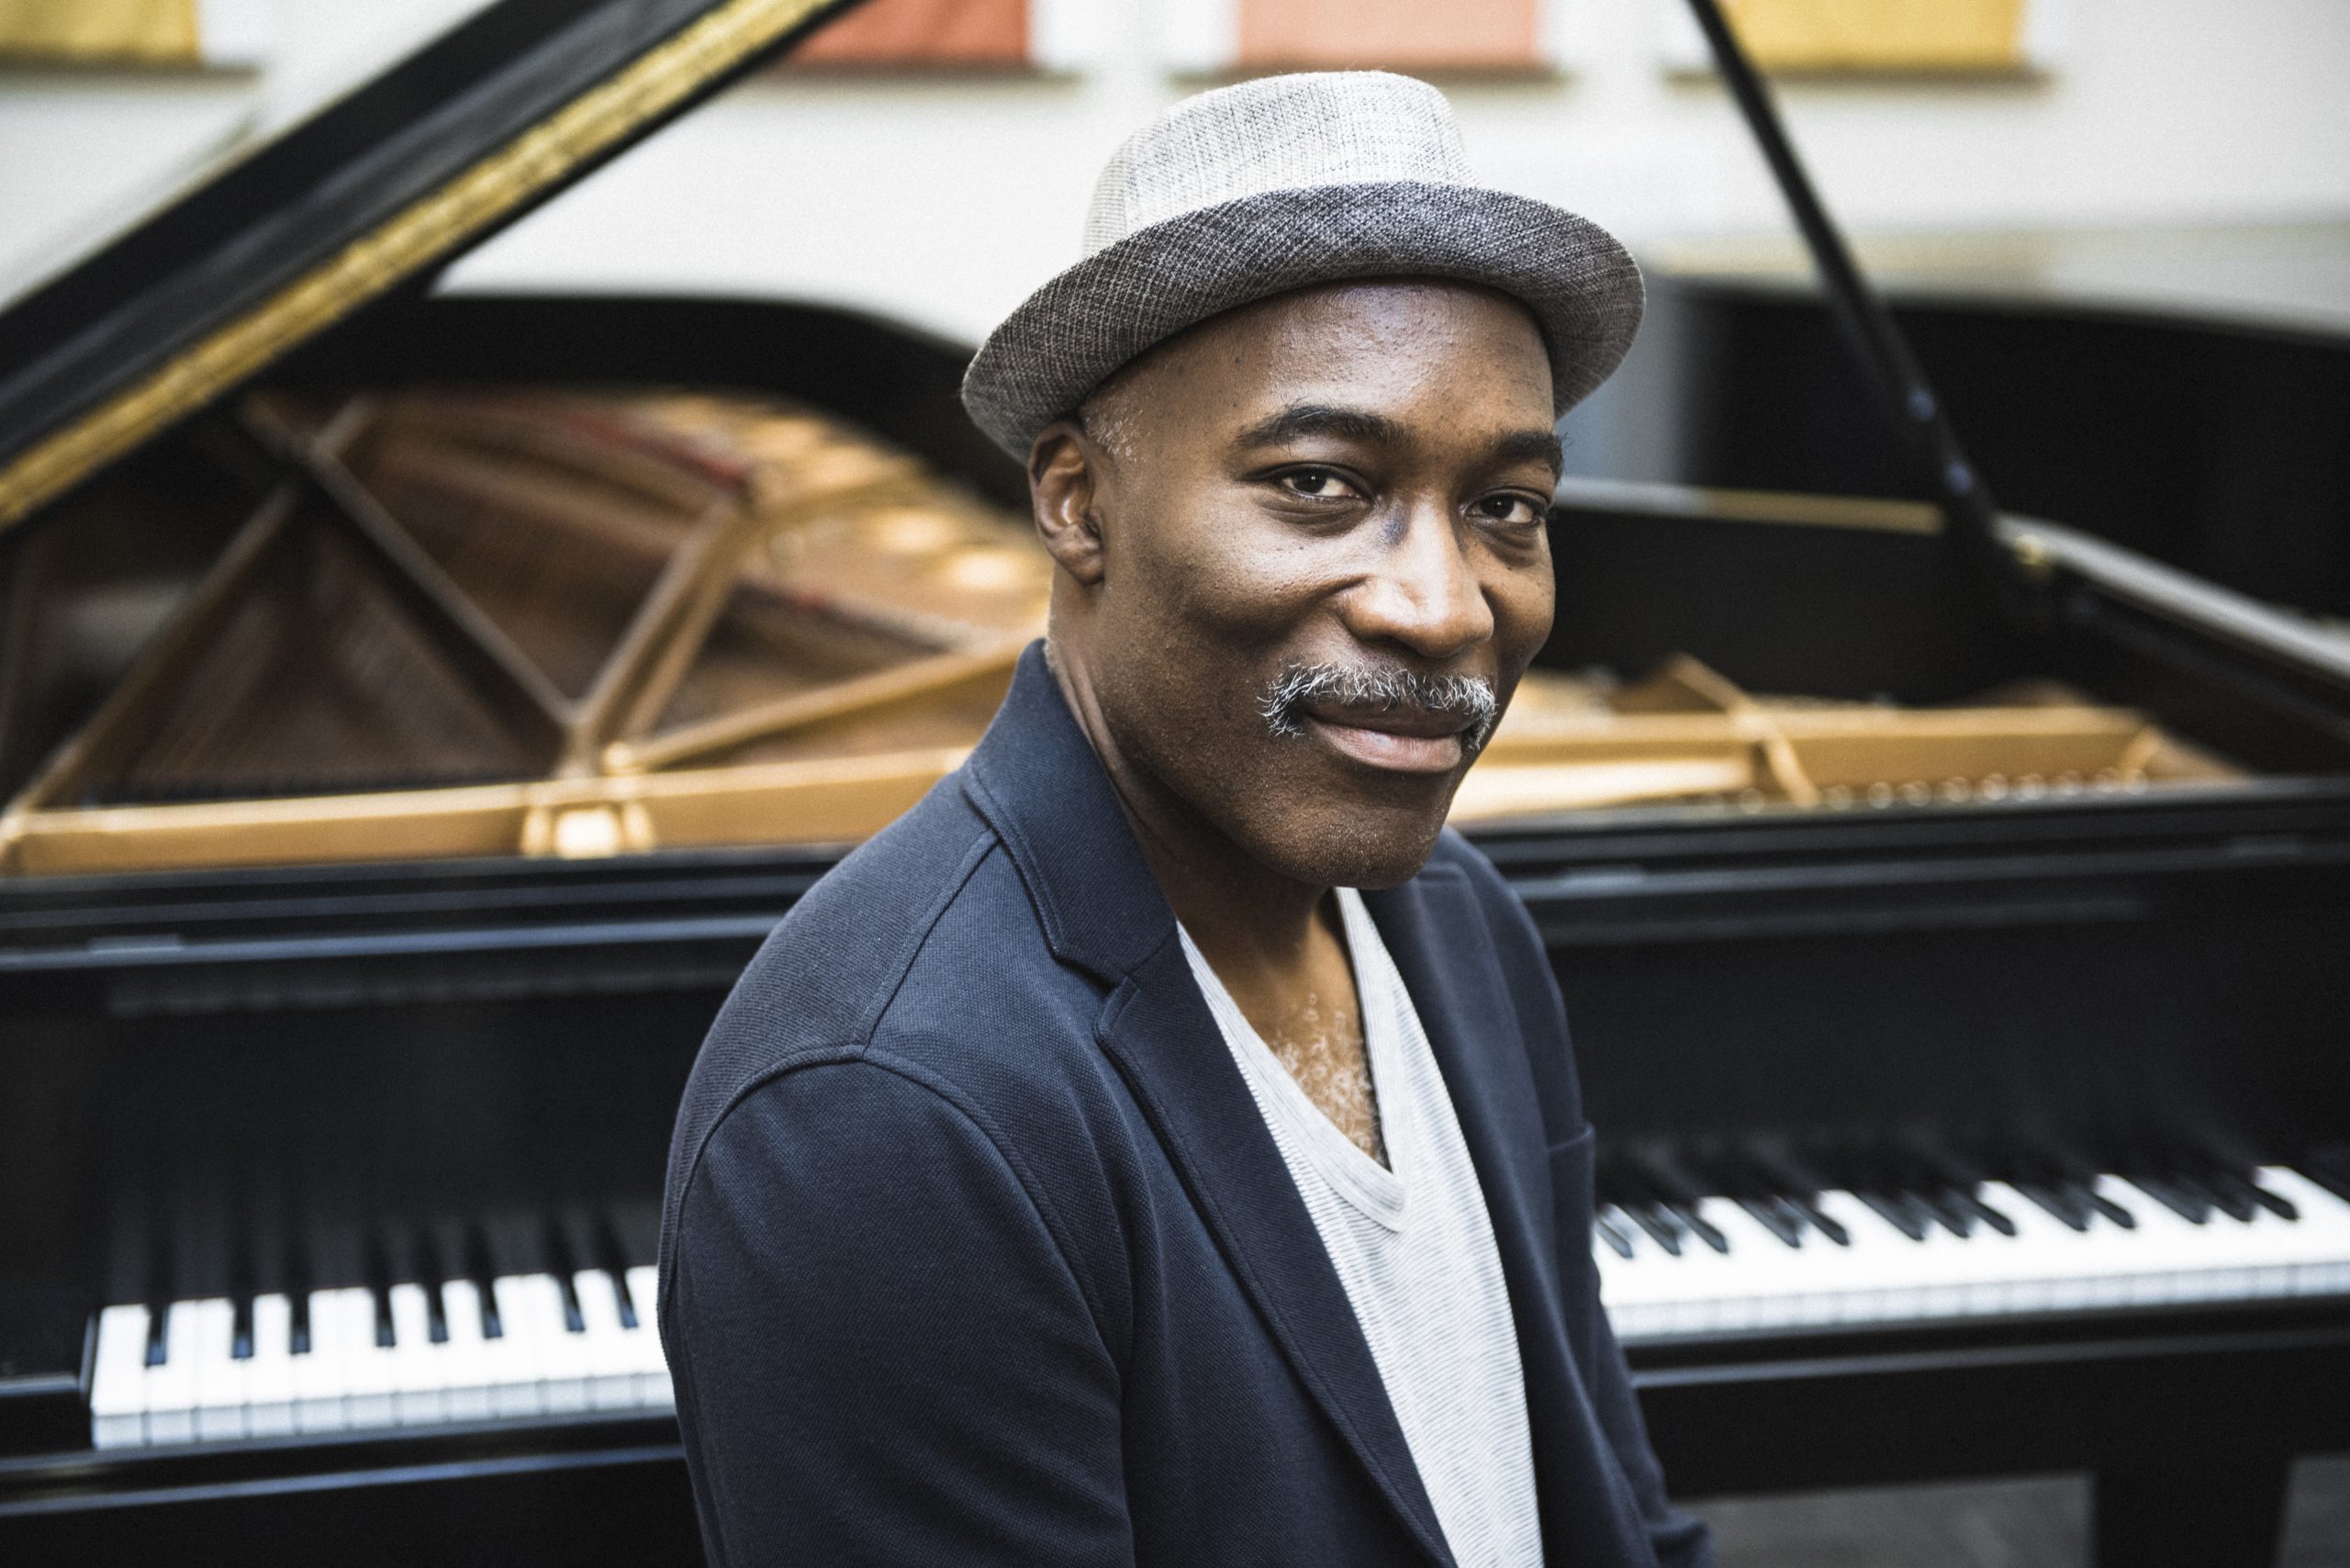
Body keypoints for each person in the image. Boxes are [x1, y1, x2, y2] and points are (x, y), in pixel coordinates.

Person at [660, 71, 1709, 1568]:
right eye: (1319, 485)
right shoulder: (880, 1114)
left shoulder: (1459, 923)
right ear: (1078, 501)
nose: (1445, 605)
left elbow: (1611, 1511)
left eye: (1508, 508)